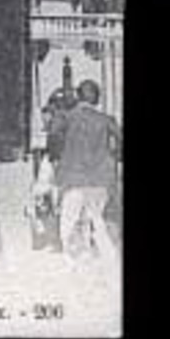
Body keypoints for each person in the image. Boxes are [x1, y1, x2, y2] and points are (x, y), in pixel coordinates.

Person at [46, 79, 121, 266]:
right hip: (101, 182)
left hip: (73, 181)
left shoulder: (65, 118)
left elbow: (53, 140)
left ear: (78, 96)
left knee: (70, 224)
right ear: (97, 99)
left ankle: (75, 265)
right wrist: (111, 159)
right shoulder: (107, 120)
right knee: (96, 220)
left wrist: (57, 160)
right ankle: (108, 262)